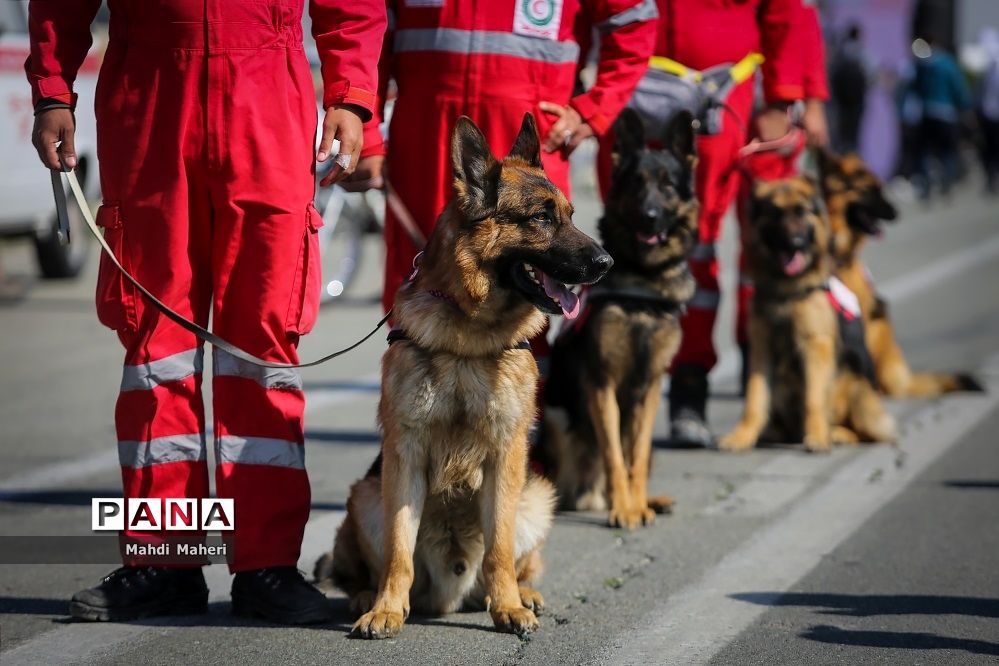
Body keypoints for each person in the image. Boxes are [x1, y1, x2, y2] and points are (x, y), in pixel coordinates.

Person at [26, 0, 384, 623]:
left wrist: (351, 100)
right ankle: (165, 562)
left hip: (267, 95)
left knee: (263, 348)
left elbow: (351, 8)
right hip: (149, 98)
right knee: (156, 350)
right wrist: (52, 90)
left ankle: (266, 565)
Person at [353, 0, 659, 318]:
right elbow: (365, 24)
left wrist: (593, 109)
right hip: (424, 137)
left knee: (531, 289)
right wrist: (366, 129)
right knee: (419, 287)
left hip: (527, 134)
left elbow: (635, 20)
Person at [621, 0, 828, 447]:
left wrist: (788, 94)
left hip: (740, 98)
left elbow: (789, 10)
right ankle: (673, 387)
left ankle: (764, 379)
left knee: (765, 246)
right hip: (646, 92)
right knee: (665, 247)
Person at [908, 33, 972, 200]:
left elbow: (914, 88)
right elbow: (958, 88)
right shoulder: (947, 63)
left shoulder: (921, 64)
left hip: (927, 113)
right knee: (947, 151)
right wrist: (965, 108)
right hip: (946, 114)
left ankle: (926, 185)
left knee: (924, 151)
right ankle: (946, 184)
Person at [830, 23, 869, 153]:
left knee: (842, 131)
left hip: (843, 99)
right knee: (853, 132)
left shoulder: (841, 52)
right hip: (855, 100)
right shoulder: (862, 53)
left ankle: (844, 152)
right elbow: (871, 75)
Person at [976, 28, 999, 195]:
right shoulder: (986, 66)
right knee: (990, 148)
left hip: (988, 113)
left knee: (990, 148)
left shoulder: (988, 66)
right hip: (988, 113)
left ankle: (991, 178)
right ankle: (991, 178)